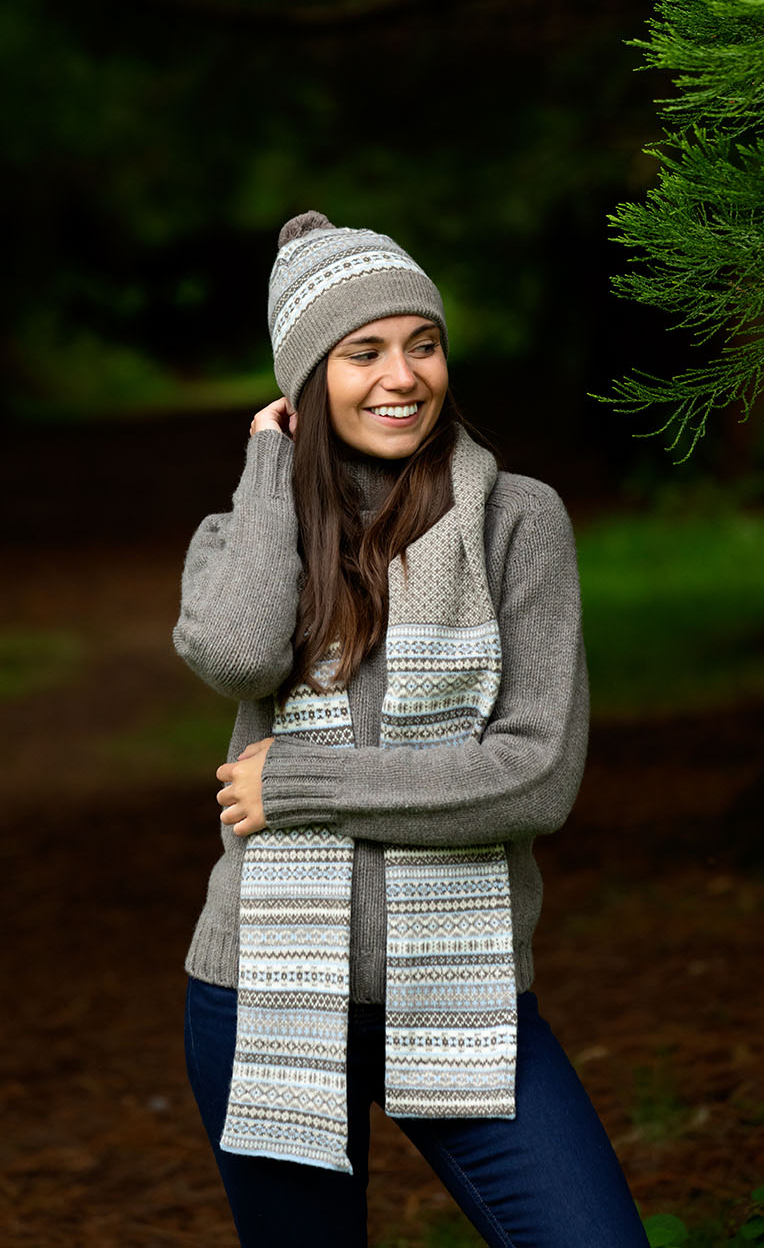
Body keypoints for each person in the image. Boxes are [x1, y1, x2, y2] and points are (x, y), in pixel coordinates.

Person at [173, 210, 650, 1248]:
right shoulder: (242, 536)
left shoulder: (519, 520)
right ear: (307, 382)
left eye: (422, 343)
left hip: (466, 983)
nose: (404, 376)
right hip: (264, 992)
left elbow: (533, 777)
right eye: (363, 352)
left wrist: (299, 785)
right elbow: (241, 654)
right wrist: (268, 467)